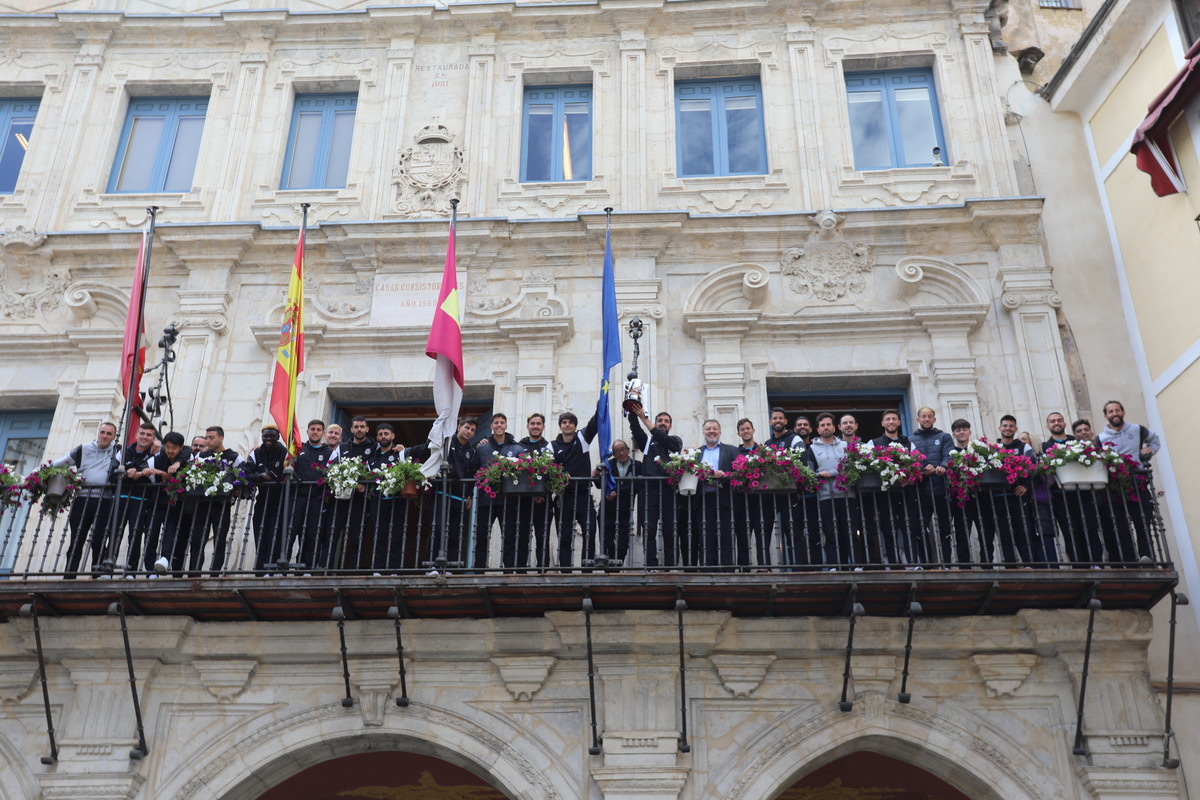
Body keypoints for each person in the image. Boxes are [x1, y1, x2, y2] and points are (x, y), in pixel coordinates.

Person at [53, 422, 120, 578]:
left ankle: (97, 575)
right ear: (98, 433)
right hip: (82, 499)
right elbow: (59, 464)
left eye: (109, 434)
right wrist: (37, 474)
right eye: (102, 432)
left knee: (99, 540)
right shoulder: (83, 449)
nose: (105, 436)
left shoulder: (118, 451)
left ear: (114, 437)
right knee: (77, 538)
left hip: (105, 501)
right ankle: (70, 575)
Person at [1098, 400, 1161, 561]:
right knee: (1121, 527)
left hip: (1138, 482)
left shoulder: (1138, 430)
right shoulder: (1101, 439)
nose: (1115, 414)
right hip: (1115, 487)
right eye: (1110, 411)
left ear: (1123, 412)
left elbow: (1155, 440)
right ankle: (1132, 561)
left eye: (1117, 410)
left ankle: (1146, 557)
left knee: (1143, 521)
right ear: (1106, 416)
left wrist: (1149, 450)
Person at [628, 402, 684, 569]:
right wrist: (632, 408)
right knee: (649, 529)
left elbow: (663, 439)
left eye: (666, 421)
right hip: (649, 491)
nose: (662, 423)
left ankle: (671, 565)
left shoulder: (675, 441)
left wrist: (645, 419)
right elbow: (635, 429)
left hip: (669, 491)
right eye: (659, 420)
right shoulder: (647, 443)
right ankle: (651, 565)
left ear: (670, 425)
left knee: (670, 530)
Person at [865, 409, 923, 567]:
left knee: (909, 527)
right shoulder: (873, 443)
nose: (891, 422)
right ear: (883, 423)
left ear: (899, 422)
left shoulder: (908, 443)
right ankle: (892, 563)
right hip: (884, 494)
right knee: (887, 528)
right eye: (888, 419)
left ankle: (912, 563)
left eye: (894, 419)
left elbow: (917, 464)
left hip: (907, 492)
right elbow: (866, 465)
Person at [978, 415, 1036, 567]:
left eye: (1011, 426)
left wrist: (1026, 486)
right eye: (1005, 426)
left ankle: (1028, 562)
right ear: (999, 428)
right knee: (1004, 533)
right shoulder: (991, 450)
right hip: (997, 497)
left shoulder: (1024, 447)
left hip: (1017, 496)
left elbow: (1034, 468)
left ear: (1016, 429)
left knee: (1022, 530)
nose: (1007, 428)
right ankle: (1011, 565)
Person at [190, 425, 244, 576]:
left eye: (211, 438)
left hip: (221, 505)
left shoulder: (233, 457)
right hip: (201, 503)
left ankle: (215, 573)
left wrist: (238, 488)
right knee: (196, 539)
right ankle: (194, 573)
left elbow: (243, 475)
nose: (208, 441)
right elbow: (190, 473)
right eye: (206, 437)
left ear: (221, 438)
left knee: (220, 540)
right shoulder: (201, 456)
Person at [427, 417, 479, 569]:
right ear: (459, 427)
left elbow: (472, 473)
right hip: (442, 495)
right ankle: (432, 566)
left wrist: (468, 494)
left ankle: (448, 568)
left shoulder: (472, 451)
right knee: (437, 530)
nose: (469, 432)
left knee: (455, 535)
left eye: (472, 430)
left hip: (460, 498)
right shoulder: (446, 443)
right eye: (467, 428)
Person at [552, 411, 600, 569]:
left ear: (575, 425)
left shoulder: (582, 438)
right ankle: (565, 570)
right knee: (564, 535)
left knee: (590, 530)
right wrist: (559, 475)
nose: (567, 425)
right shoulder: (551, 446)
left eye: (570, 422)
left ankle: (587, 568)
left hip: (583, 495)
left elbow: (595, 421)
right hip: (563, 496)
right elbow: (546, 469)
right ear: (560, 426)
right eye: (564, 422)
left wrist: (603, 395)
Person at [329, 416, 377, 570]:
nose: (359, 430)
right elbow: (332, 468)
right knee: (333, 534)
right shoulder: (342, 447)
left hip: (362, 501)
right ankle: (326, 570)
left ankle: (354, 569)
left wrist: (365, 484)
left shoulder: (374, 446)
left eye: (362, 427)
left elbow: (381, 464)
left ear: (367, 429)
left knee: (358, 536)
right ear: (351, 429)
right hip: (341, 499)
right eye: (356, 427)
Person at [474, 413, 521, 570]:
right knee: (481, 537)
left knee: (509, 537)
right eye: (496, 423)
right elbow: (473, 471)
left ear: (506, 426)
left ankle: (508, 570)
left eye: (502, 423)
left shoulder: (517, 448)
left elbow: (524, 473)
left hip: (508, 500)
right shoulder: (481, 448)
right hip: (485, 500)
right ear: (491, 426)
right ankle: (479, 570)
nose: (499, 425)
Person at [810, 413, 856, 568]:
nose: (826, 427)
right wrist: (818, 474)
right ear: (818, 429)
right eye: (822, 425)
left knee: (849, 532)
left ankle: (856, 564)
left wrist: (840, 474)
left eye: (828, 424)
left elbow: (852, 468)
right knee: (830, 533)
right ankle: (833, 566)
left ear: (834, 427)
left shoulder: (845, 446)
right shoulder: (811, 449)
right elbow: (808, 471)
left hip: (847, 494)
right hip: (824, 497)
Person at [764, 408, 809, 569]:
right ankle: (765, 567)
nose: (777, 421)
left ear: (785, 421)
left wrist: (798, 489)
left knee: (792, 533)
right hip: (770, 495)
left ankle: (797, 567)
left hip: (790, 494)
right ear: (770, 422)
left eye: (780, 418)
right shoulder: (767, 444)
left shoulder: (795, 439)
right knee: (765, 531)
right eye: (774, 418)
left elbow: (802, 464)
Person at [910, 407, 954, 566]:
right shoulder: (911, 439)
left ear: (934, 419)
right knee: (919, 529)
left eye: (929, 416)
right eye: (923, 416)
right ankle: (927, 564)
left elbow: (950, 454)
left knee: (945, 530)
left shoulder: (944, 436)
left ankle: (947, 564)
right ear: (918, 419)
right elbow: (910, 462)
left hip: (942, 489)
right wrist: (922, 470)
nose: (926, 419)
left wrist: (943, 466)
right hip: (921, 491)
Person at [693, 420, 739, 568]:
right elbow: (689, 474)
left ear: (720, 432)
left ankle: (727, 570)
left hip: (725, 499)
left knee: (726, 535)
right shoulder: (697, 453)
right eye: (708, 429)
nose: (711, 431)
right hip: (703, 500)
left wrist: (725, 474)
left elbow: (740, 472)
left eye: (714, 429)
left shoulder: (731, 450)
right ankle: (707, 569)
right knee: (705, 536)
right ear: (703, 432)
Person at [115, 422, 159, 573]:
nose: (144, 437)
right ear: (136, 435)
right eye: (142, 433)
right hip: (120, 499)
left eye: (149, 435)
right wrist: (126, 474)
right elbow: (111, 475)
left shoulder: (156, 454)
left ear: (153, 438)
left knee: (135, 536)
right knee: (113, 534)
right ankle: (106, 571)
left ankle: (131, 572)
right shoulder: (123, 452)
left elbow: (155, 472)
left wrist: (138, 473)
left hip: (141, 501)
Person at [289, 419, 333, 571]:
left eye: (318, 429)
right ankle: (281, 570)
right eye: (312, 429)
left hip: (318, 499)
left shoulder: (330, 453)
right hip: (297, 498)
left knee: (312, 534)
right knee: (290, 531)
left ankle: (308, 569)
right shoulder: (297, 448)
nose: (315, 432)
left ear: (323, 433)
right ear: (307, 431)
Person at [245, 425, 289, 571]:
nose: (269, 439)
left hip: (280, 501)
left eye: (272, 436)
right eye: (266, 436)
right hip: (262, 500)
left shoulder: (284, 452)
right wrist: (260, 476)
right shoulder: (256, 453)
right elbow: (246, 473)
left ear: (277, 437)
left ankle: (273, 568)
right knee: (260, 534)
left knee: (274, 536)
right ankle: (261, 569)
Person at [149, 431, 192, 575]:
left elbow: (189, 451)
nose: (170, 451)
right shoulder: (158, 458)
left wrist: (163, 474)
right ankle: (151, 572)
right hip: (157, 502)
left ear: (180, 448)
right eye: (167, 447)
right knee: (151, 537)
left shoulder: (186, 458)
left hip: (174, 504)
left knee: (171, 533)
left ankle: (166, 559)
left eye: (174, 448)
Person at [515, 414, 553, 569]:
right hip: (522, 499)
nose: (535, 426)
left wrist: (540, 491)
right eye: (532, 423)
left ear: (543, 427)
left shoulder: (549, 447)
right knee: (522, 535)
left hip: (543, 500)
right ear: (528, 426)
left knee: (542, 536)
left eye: (539, 424)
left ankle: (542, 568)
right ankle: (521, 569)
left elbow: (551, 472)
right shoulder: (518, 446)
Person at [596, 439, 641, 567]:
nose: (621, 453)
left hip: (625, 510)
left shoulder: (637, 466)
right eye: (617, 451)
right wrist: (596, 476)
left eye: (623, 449)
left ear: (628, 450)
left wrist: (616, 491)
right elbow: (600, 485)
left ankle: (615, 569)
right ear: (614, 454)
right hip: (607, 509)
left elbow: (637, 485)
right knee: (608, 542)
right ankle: (608, 570)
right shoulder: (607, 464)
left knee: (622, 545)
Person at [946, 419, 978, 565]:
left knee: (985, 531)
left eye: (964, 429)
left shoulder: (978, 451)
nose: (961, 432)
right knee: (962, 532)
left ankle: (987, 563)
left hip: (978, 497)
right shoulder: (951, 454)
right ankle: (964, 565)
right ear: (954, 434)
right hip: (959, 498)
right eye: (958, 430)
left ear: (969, 432)